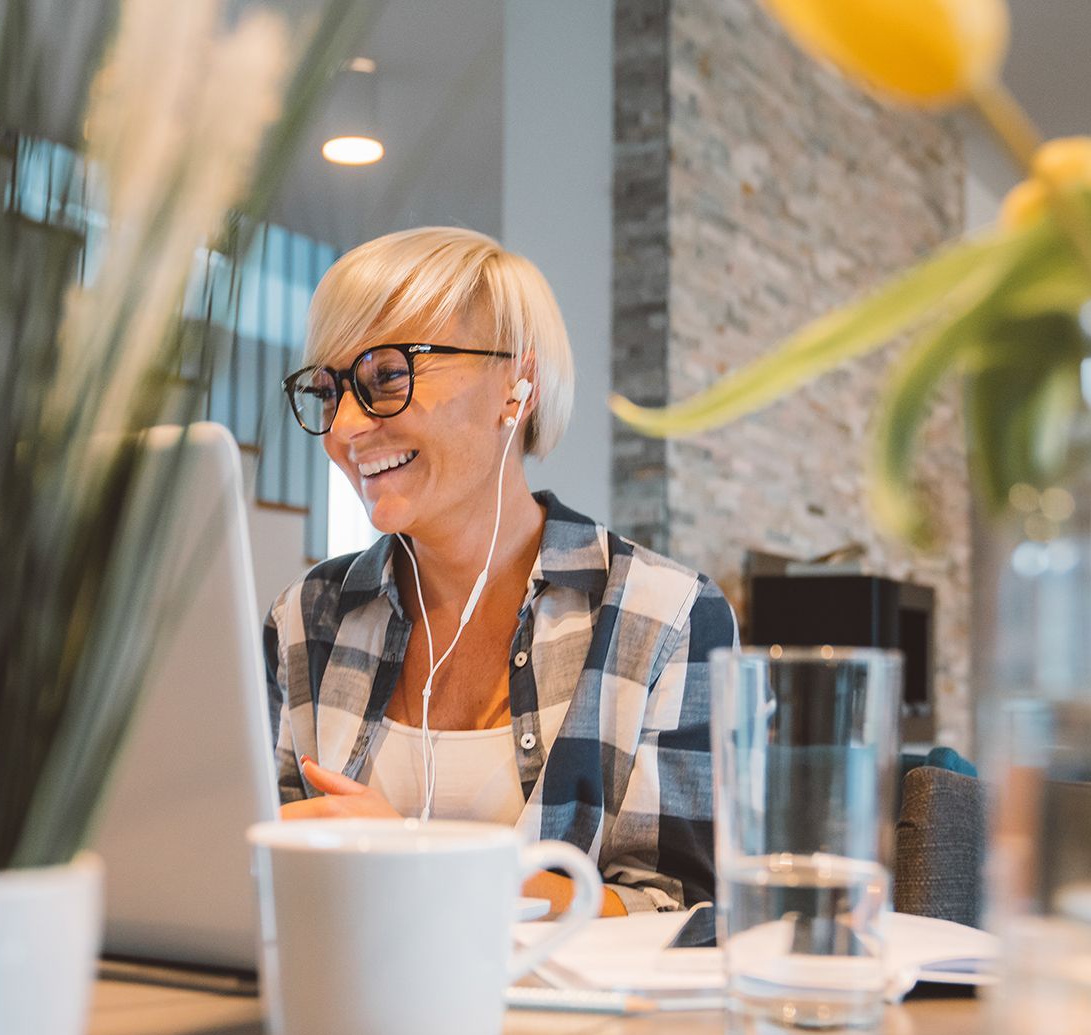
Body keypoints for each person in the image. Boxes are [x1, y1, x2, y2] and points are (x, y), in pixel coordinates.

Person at [263, 227, 737, 916]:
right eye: (329, 390)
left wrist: (411, 856)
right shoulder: (308, 617)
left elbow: (685, 915)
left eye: (387, 376)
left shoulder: (666, 618)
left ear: (519, 386)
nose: (345, 427)